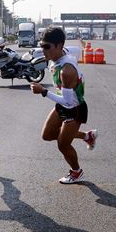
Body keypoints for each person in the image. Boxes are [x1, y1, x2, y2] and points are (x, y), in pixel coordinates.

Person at [29, 27, 97, 184]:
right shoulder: (64, 51)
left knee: (63, 144)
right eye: (42, 45)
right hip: (63, 104)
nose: (43, 50)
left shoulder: (66, 71)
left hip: (75, 108)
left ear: (59, 45)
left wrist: (43, 91)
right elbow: (77, 49)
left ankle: (77, 172)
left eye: (47, 47)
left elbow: (68, 102)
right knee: (47, 135)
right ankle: (87, 136)